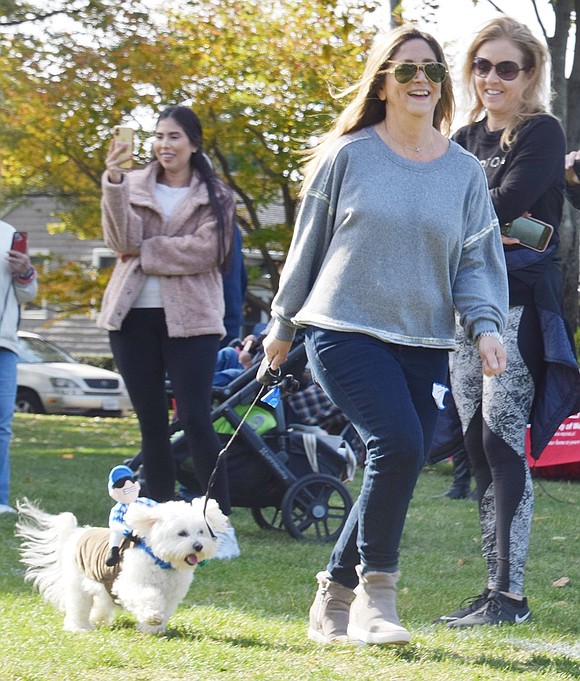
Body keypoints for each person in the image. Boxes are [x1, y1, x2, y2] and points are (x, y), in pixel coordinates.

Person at [262, 25, 508, 646]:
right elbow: (307, 247)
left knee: (395, 457)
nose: (420, 79)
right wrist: (282, 325)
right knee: (397, 443)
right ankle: (378, 600)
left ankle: (333, 597)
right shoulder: (349, 155)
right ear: (383, 82)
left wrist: (485, 326)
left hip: (425, 340)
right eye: (405, 70)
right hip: (343, 329)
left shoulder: (464, 172)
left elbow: (477, 262)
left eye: (431, 69)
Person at [435, 17, 580, 629]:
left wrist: (443, 219)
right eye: (482, 65)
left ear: (530, 74)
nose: (492, 78)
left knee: (500, 440)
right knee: (475, 447)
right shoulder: (463, 135)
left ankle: (511, 595)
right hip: (463, 310)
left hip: (518, 302)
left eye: (507, 68)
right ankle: (494, 589)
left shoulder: (541, 132)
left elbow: (503, 204)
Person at [98, 105, 240, 559]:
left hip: (193, 322)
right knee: (152, 425)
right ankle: (158, 524)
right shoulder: (133, 184)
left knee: (197, 418)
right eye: (159, 136)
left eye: (175, 136)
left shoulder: (216, 194)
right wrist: (115, 182)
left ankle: (221, 521)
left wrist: (147, 250)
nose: (165, 145)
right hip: (132, 319)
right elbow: (120, 242)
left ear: (194, 143)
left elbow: (206, 252)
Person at [0, 224, 38, 514]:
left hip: (4, 345)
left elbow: (27, 295)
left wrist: (24, 271)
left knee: (2, 427)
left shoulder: (7, 232)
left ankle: (0, 501)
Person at [105, 464, 157, 567]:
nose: (127, 492)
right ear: (114, 493)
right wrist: (128, 533)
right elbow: (115, 524)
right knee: (115, 534)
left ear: (137, 486)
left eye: (130, 489)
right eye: (123, 489)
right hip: (127, 529)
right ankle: (114, 552)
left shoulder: (144, 502)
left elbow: (159, 508)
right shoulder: (119, 509)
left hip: (145, 529)